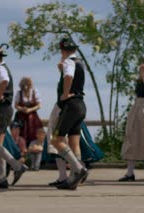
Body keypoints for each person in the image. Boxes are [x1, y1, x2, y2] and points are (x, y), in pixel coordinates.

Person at [0, 44, 27, 189]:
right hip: (5, 109)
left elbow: (5, 81)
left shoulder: (1, 68)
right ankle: (2, 178)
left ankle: (17, 166)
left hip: (2, 108)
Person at [51, 37, 88, 190]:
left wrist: (65, 93)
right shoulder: (80, 63)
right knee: (74, 142)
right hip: (81, 105)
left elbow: (68, 76)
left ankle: (78, 169)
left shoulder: (68, 62)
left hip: (71, 105)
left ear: (62, 50)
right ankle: (74, 179)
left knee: (56, 140)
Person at [14, 77, 43, 144]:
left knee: (34, 132)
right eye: (24, 85)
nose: (26, 87)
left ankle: (32, 147)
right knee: (21, 133)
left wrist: (30, 110)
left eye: (27, 85)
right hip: (21, 117)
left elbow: (39, 105)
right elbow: (16, 106)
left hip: (33, 117)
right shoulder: (19, 93)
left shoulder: (34, 92)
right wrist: (22, 109)